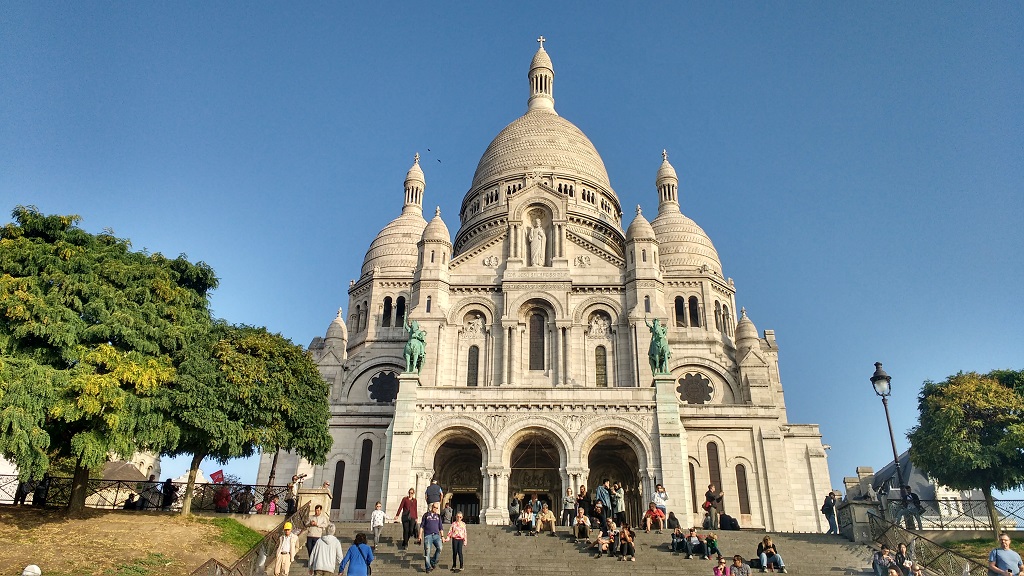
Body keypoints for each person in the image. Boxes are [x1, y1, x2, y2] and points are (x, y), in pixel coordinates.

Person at [419, 501, 444, 573]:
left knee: (440, 548)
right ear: (431, 507)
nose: (435, 509)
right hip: (428, 535)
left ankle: (433, 561)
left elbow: (441, 527)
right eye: (434, 507)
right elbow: (422, 526)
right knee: (427, 551)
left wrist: (442, 536)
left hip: (436, 535)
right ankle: (428, 567)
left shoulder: (438, 516)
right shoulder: (426, 515)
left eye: (437, 508)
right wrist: (420, 536)